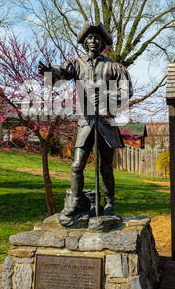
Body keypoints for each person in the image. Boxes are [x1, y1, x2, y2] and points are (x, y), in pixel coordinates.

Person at [38, 22, 133, 222]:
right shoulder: (76, 64)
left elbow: (126, 93)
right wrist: (49, 73)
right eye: (89, 38)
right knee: (76, 165)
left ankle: (109, 205)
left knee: (106, 167)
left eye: (97, 38)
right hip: (86, 121)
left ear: (103, 43)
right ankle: (75, 202)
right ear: (84, 42)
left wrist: (107, 96)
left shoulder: (114, 67)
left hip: (107, 122)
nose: (93, 41)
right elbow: (57, 78)